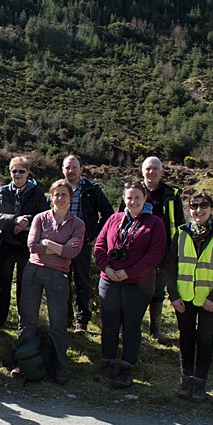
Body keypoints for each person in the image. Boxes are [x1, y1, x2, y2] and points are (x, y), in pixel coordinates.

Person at [93, 182, 166, 389]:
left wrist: (128, 272)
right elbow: (99, 246)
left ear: (145, 199)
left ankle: (126, 368)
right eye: (129, 198)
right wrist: (107, 268)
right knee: (109, 325)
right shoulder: (114, 219)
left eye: (137, 198)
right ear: (123, 199)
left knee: (131, 326)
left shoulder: (155, 223)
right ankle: (107, 362)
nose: (133, 202)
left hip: (138, 283)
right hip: (109, 280)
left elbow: (155, 255)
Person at [166, 193, 213, 402]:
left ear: (211, 208)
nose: (198, 210)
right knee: (186, 339)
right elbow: (170, 266)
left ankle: (199, 385)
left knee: (205, 341)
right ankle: (185, 383)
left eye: (203, 206)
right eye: (194, 206)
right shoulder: (180, 233)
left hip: (210, 301)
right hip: (184, 298)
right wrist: (174, 295)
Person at [18, 180, 86, 384]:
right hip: (33, 270)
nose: (60, 198)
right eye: (56, 194)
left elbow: (73, 252)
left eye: (64, 194)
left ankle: (60, 369)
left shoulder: (77, 224)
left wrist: (47, 244)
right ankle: (22, 363)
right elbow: (32, 246)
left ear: (70, 198)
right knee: (27, 320)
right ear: (51, 197)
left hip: (58, 275)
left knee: (57, 324)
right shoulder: (40, 218)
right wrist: (59, 247)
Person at [124, 157, 185, 342]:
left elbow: (180, 223)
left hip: (162, 250)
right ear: (142, 171)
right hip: (135, 249)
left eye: (155, 169)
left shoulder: (171, 194)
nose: (151, 172)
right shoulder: (133, 191)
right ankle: (132, 327)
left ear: (162, 171)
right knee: (134, 288)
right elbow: (121, 217)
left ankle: (155, 330)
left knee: (158, 291)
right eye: (148, 169)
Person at [62, 154, 115, 333]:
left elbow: (108, 213)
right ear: (63, 170)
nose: (71, 171)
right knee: (63, 280)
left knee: (82, 281)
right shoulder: (59, 189)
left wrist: (95, 234)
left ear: (81, 169)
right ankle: (66, 317)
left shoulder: (92, 189)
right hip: (61, 243)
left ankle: (82, 320)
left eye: (74, 167)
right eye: (67, 168)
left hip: (82, 243)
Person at [0, 157, 49, 330]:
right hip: (7, 244)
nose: (17, 174)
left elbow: (44, 216)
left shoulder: (37, 192)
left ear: (28, 173)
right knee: (3, 284)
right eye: (14, 171)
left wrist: (27, 221)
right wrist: (14, 220)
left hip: (28, 245)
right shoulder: (2, 192)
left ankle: (24, 323)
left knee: (24, 285)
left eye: (21, 171)